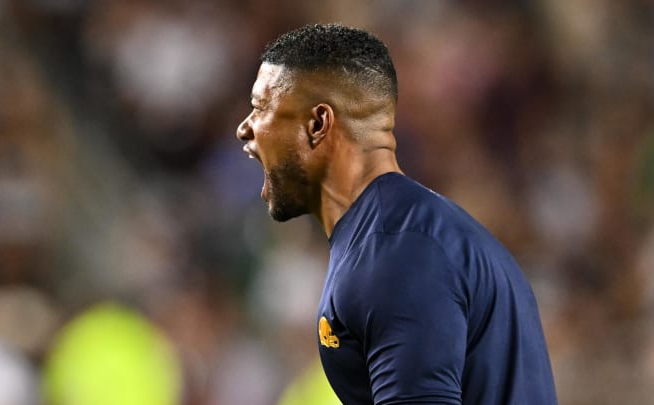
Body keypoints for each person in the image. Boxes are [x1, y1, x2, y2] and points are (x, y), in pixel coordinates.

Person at [236, 23, 558, 405]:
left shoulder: (398, 254)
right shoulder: (402, 235)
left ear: (318, 124)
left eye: (260, 108)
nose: (244, 129)